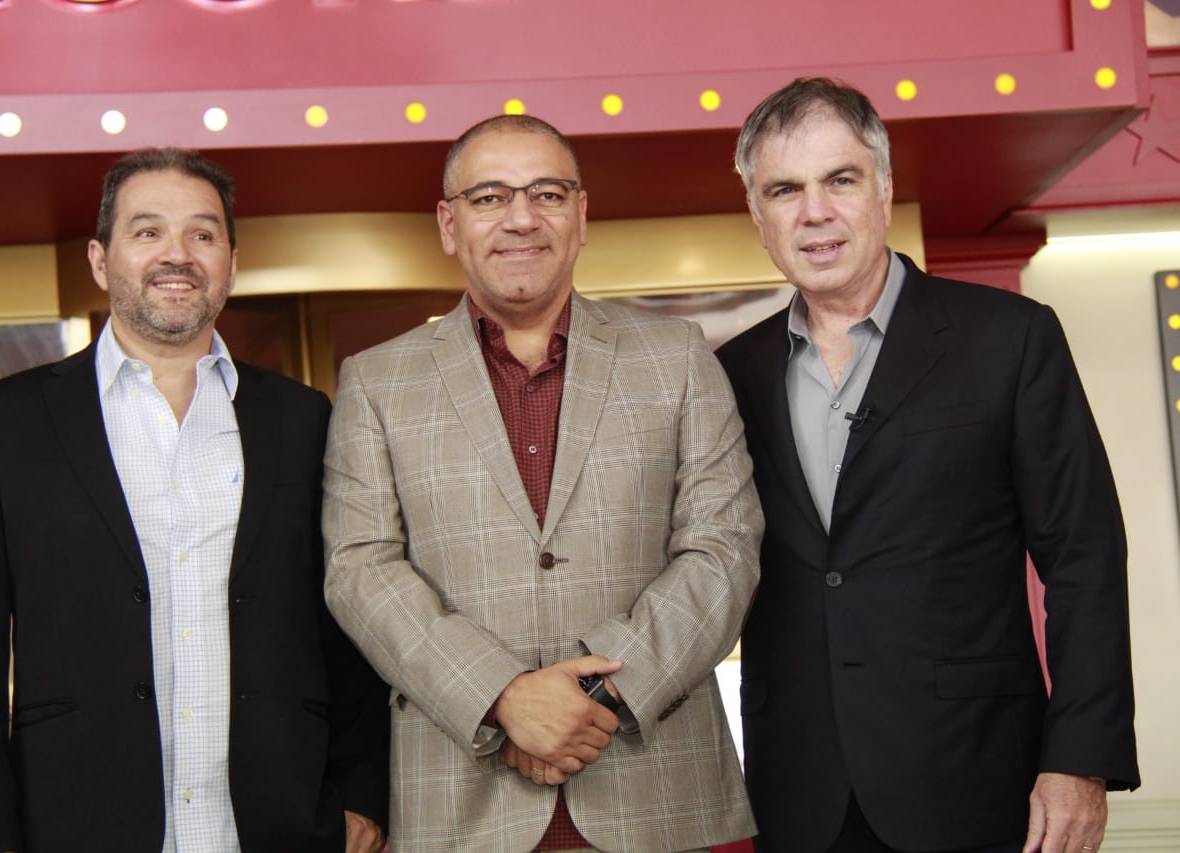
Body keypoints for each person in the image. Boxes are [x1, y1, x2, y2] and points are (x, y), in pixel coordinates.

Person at [0, 147, 389, 853]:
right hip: (77, 830)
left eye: (202, 234)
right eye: (147, 232)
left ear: (232, 262)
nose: (178, 254)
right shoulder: (7, 422)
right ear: (99, 259)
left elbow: (349, 618)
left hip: (278, 829)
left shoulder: (303, 419)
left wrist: (361, 797)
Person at [715, 77, 1140, 853]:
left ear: (882, 186)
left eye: (840, 180)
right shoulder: (729, 374)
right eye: (785, 189)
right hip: (798, 793)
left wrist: (1080, 757)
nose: (815, 211)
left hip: (977, 781)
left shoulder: (1010, 339)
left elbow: (1084, 555)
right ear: (757, 212)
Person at [322, 114, 762, 852]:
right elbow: (359, 569)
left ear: (580, 216)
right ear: (449, 224)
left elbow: (725, 549)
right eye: (489, 197)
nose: (521, 218)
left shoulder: (678, 358)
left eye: (547, 194)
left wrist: (589, 698)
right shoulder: (376, 382)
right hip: (460, 807)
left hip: (656, 797)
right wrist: (503, 697)